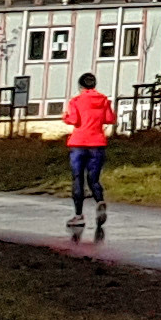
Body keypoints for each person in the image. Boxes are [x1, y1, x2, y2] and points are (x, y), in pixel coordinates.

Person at [60, 72, 113, 227]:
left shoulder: (76, 101)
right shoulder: (104, 100)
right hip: (97, 143)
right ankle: (100, 201)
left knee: (78, 179)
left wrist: (65, 117)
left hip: (78, 143)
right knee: (93, 179)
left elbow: (74, 120)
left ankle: (79, 216)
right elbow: (109, 119)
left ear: (80, 86)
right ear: (94, 85)